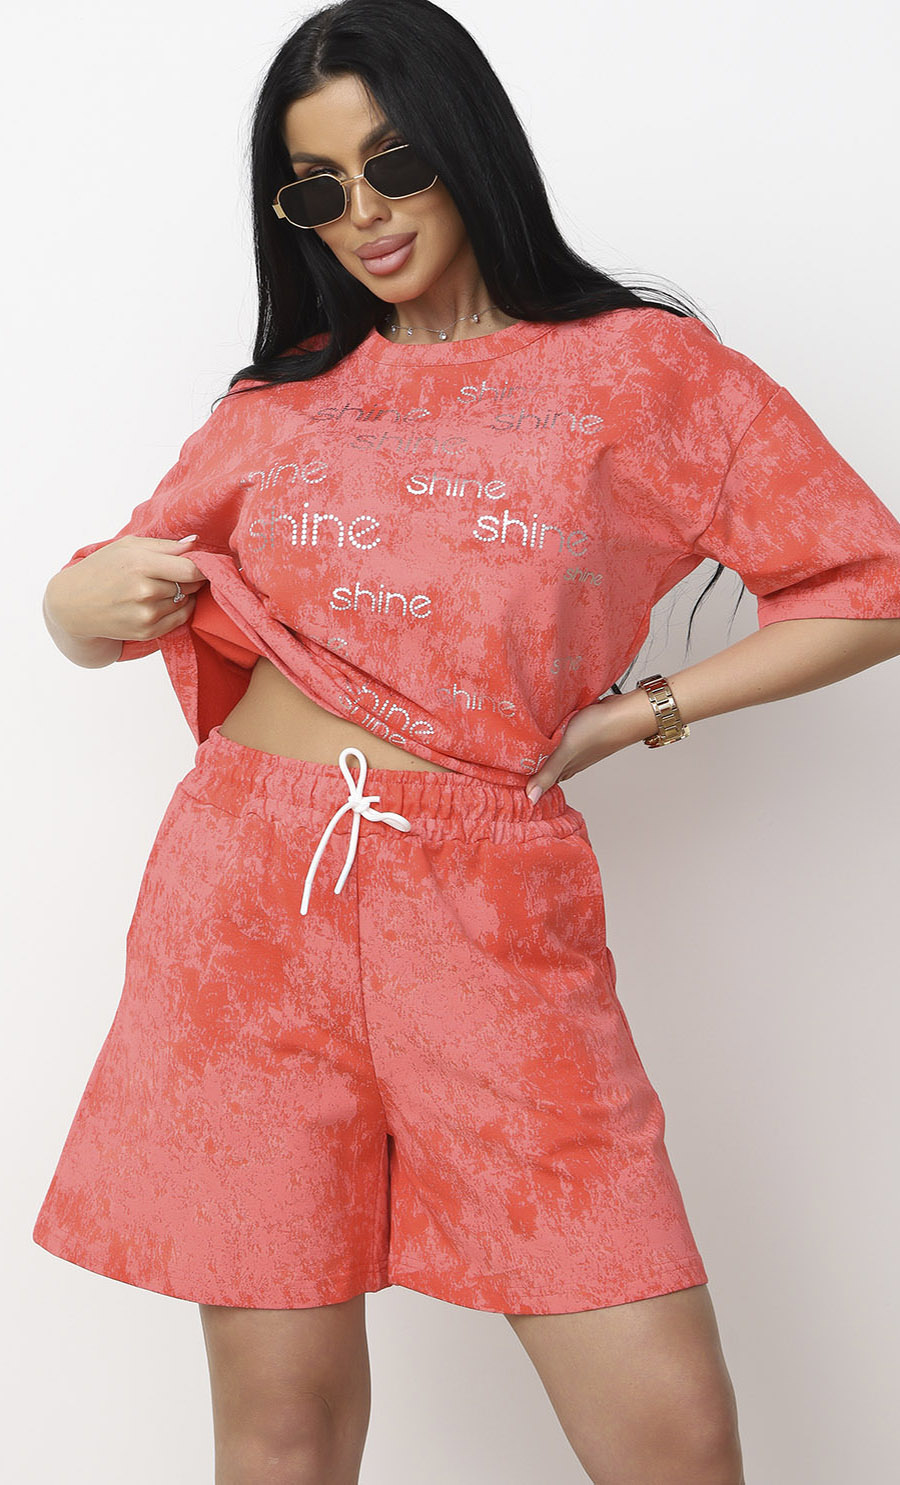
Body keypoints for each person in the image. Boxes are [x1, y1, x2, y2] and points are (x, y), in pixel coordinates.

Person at [32, 2, 900, 1482]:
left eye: (394, 165)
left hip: (487, 908)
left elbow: (867, 582)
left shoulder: (645, 374)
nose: (364, 215)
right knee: (282, 1428)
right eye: (318, 190)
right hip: (244, 904)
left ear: (470, 147)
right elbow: (122, 587)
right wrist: (68, 605)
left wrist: (642, 712)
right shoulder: (288, 393)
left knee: (673, 1437)